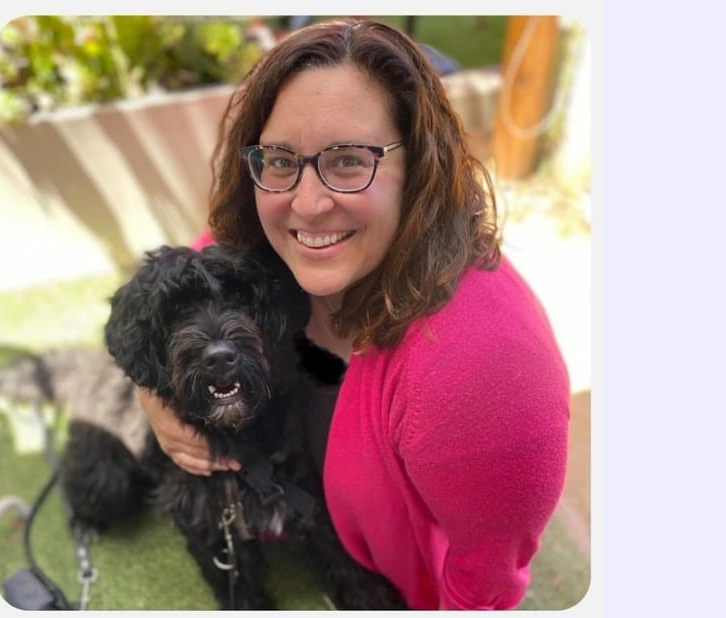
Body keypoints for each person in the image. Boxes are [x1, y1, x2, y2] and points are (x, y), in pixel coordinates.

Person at [137, 18, 569, 610]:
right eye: (281, 160)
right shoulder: (262, 237)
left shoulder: (483, 371)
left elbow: (484, 587)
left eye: (348, 160)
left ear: (419, 165)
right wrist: (154, 392)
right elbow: (188, 278)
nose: (307, 205)